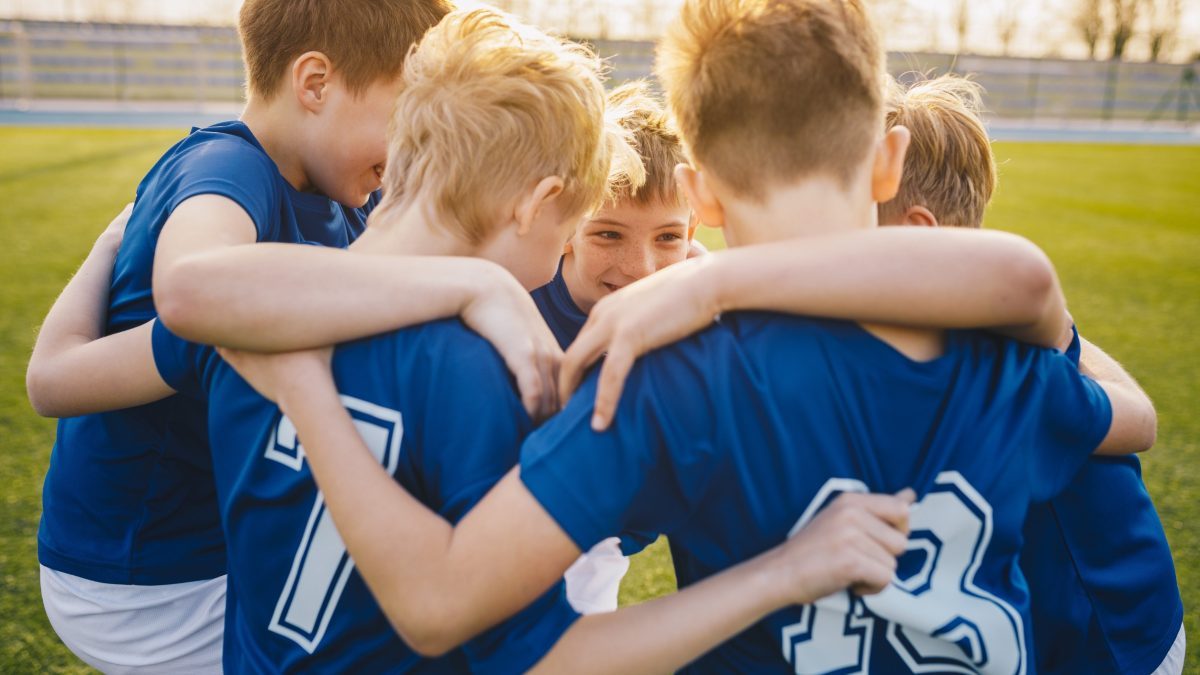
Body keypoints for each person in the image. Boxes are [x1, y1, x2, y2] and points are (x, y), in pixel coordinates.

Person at [219, 0, 1157, 672]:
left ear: (697, 189)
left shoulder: (666, 377)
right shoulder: (1007, 359)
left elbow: (463, 613)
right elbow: (1128, 412)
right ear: (890, 159)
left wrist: (717, 286)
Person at [22, 0, 575, 670]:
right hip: (143, 577)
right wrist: (473, 285)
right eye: (407, 110)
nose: (416, 141)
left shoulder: (333, 194)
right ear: (314, 84)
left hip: (203, 546)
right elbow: (171, 305)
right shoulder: (229, 169)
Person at [879, 73, 1185, 675]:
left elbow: (1139, 423)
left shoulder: (991, 363)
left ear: (917, 234)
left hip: (1112, 642)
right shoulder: (993, 322)